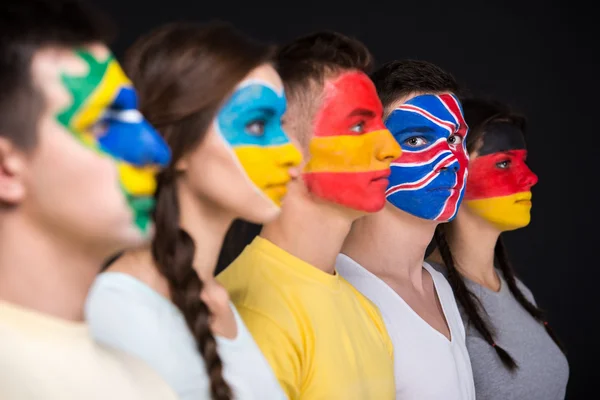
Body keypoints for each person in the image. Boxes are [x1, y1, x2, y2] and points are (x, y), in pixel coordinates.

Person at [86, 22, 302, 400]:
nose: (292, 154)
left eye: (280, 125)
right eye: (255, 125)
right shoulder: (118, 309)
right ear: (177, 143)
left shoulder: (216, 299)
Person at [0, 0, 177, 399]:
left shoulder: (150, 385)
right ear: (6, 170)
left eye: (136, 117)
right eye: (102, 122)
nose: (156, 152)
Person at [217, 31, 401, 399]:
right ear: (283, 145)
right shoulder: (248, 314)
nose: (391, 148)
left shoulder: (367, 312)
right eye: (358, 126)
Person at [336, 60, 476, 400]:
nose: (449, 158)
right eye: (416, 139)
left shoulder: (439, 284)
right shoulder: (341, 294)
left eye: (455, 139)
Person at [427, 97, 569, 400]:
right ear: (454, 171)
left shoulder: (519, 292)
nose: (531, 177)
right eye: (504, 163)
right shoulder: (428, 296)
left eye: (523, 161)